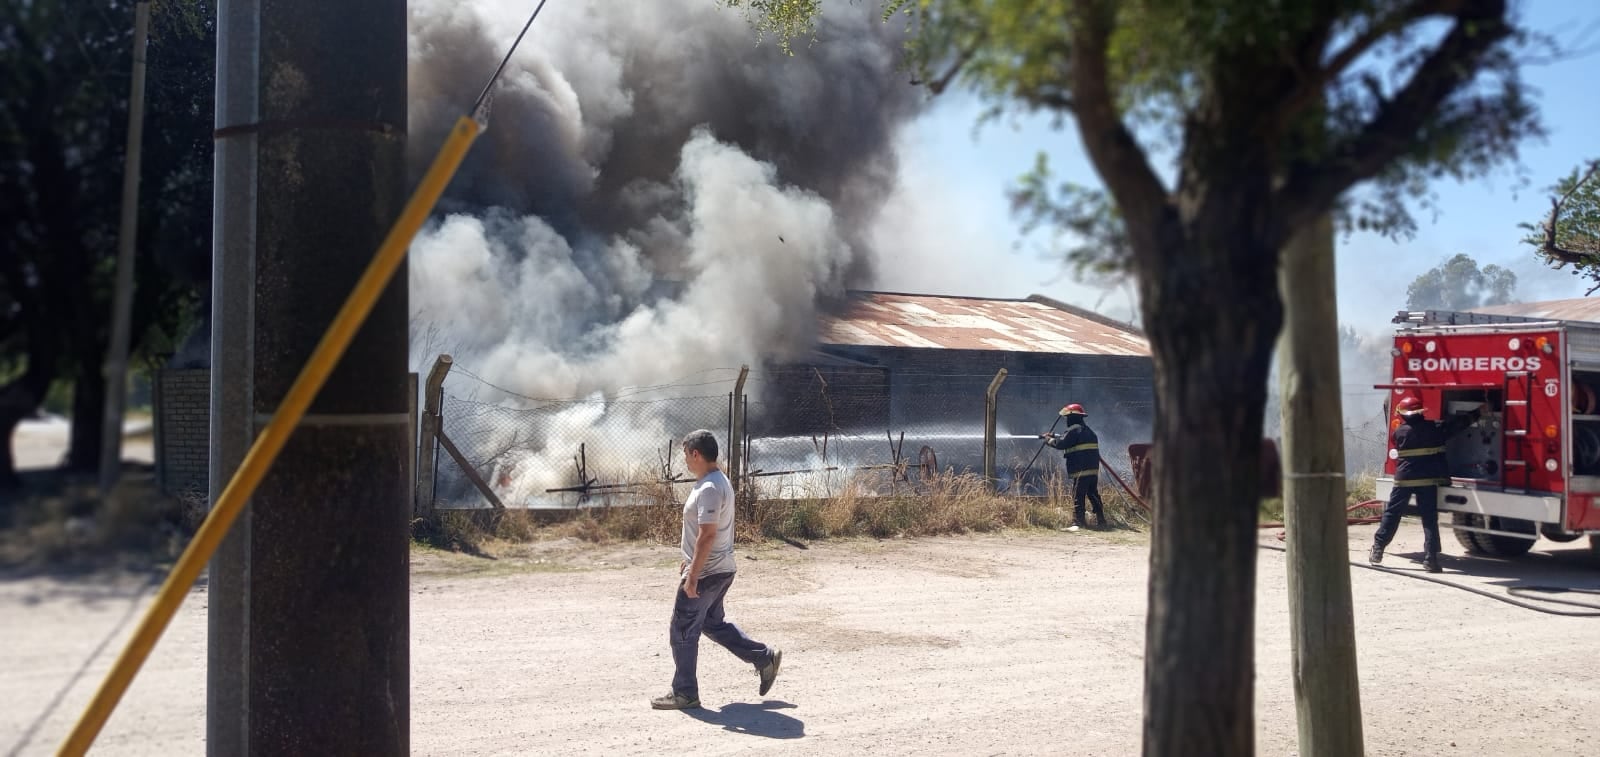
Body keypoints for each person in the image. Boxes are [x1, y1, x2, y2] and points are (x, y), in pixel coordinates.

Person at [652, 429, 782, 710]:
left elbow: (707, 534)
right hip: (720, 568)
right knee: (712, 624)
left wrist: (693, 576)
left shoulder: (710, 487)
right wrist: (689, 558)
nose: (685, 461)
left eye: (686, 455)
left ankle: (685, 693)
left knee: (682, 629)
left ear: (696, 454)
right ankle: (764, 658)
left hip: (708, 573)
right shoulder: (718, 480)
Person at [1370, 396, 1483, 573]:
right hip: (1427, 480)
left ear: (1404, 414)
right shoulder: (1434, 429)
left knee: (1392, 514)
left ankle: (1378, 549)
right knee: (1429, 520)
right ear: (1421, 412)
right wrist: (1478, 412)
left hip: (1404, 479)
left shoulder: (1399, 432)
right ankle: (1431, 559)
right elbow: (1456, 425)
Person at [1041, 403, 1105, 529]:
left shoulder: (1073, 430)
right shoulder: (1088, 431)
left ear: (1073, 417)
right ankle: (1101, 520)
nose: (1067, 421)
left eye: (1068, 418)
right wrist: (1054, 435)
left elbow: (1061, 444)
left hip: (1080, 470)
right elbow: (1069, 439)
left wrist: (1048, 440)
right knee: (1092, 493)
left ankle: (1079, 522)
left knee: (1078, 495)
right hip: (1092, 470)